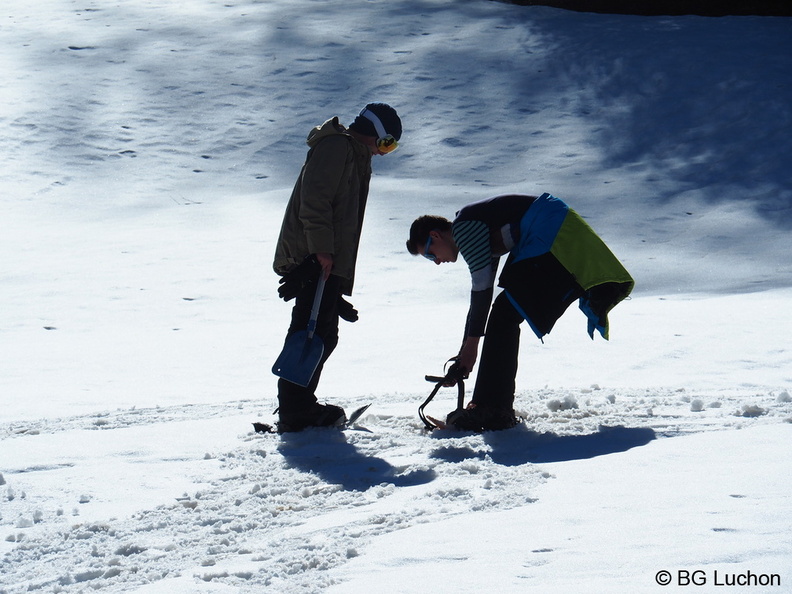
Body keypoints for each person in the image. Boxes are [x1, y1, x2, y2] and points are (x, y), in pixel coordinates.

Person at [406, 193, 634, 432]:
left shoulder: (464, 229)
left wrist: (471, 349)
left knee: (504, 314)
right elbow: (480, 301)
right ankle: (493, 407)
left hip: (550, 231)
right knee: (504, 314)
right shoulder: (474, 229)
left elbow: (482, 292)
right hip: (550, 229)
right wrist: (465, 352)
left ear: (435, 235)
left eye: (430, 254)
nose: (436, 262)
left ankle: (493, 409)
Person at [272, 102, 403, 432]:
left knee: (323, 333)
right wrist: (320, 251)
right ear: (373, 132)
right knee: (309, 333)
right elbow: (315, 200)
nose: (385, 153)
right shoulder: (335, 147)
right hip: (313, 256)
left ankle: (300, 405)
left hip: (325, 258)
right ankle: (294, 411)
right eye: (387, 143)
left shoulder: (353, 155)